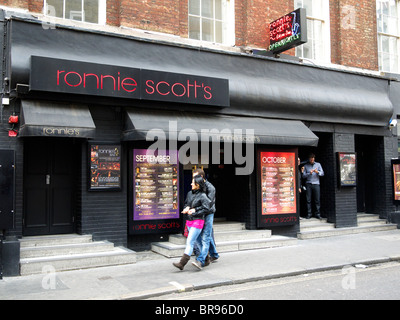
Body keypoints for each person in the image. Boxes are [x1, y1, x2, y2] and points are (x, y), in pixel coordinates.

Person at [173, 175, 211, 271]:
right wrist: (186, 208)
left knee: (190, 242)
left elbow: (207, 209)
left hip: (198, 221)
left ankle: (182, 263)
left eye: (193, 183)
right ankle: (206, 259)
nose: (191, 184)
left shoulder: (203, 195)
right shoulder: (190, 193)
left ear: (197, 185)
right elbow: (187, 203)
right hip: (189, 220)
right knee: (198, 242)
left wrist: (195, 210)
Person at [193, 169, 219, 267]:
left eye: (195, 177)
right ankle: (214, 254)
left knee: (206, 236)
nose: (193, 179)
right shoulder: (198, 186)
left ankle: (201, 260)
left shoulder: (210, 188)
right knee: (205, 235)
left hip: (208, 213)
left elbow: (208, 204)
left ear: (201, 177)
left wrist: (196, 209)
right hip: (201, 213)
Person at [302, 153, 324, 219]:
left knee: (317, 200)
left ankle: (317, 213)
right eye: (310, 159)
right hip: (308, 184)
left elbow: (322, 173)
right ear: (309, 159)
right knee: (308, 200)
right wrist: (309, 173)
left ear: (314, 158)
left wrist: (317, 172)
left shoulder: (318, 164)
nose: (312, 160)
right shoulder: (306, 166)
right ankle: (309, 214)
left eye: (313, 159)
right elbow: (303, 176)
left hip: (316, 184)